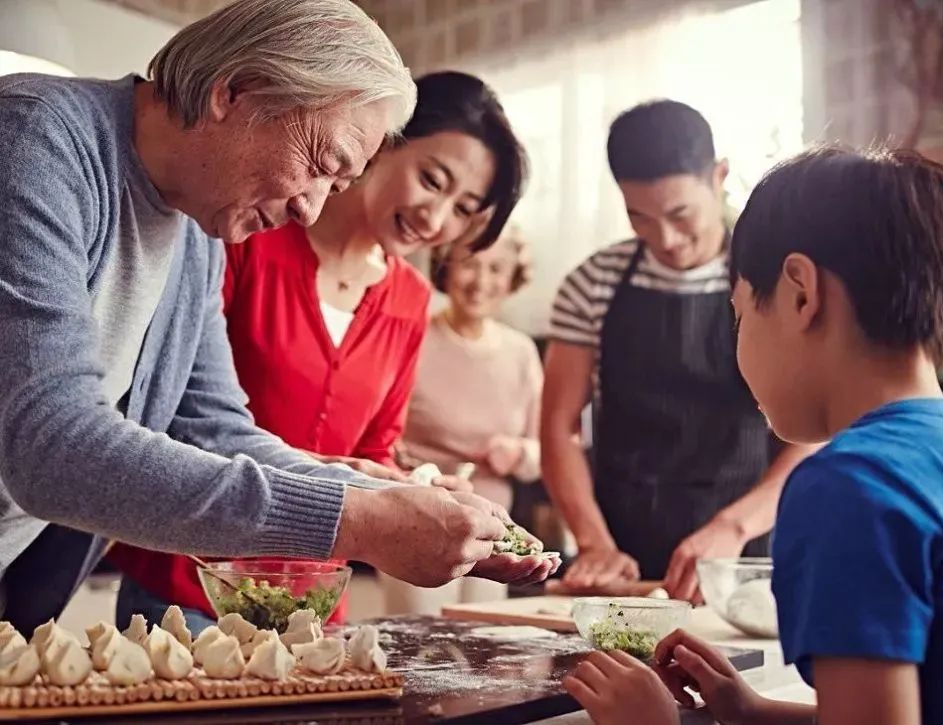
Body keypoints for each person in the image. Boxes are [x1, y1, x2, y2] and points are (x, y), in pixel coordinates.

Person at [0, 0, 554, 635]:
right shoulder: (33, 139)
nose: (310, 210)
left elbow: (216, 429)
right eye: (319, 165)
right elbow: (49, 445)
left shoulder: (198, 229)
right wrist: (357, 521)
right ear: (234, 91)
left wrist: (392, 500)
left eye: (335, 186)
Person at [563, 146, 943, 725]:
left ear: (800, 293)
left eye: (739, 315)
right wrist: (751, 713)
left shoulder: (850, 486)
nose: (738, 346)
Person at [107, 70, 531, 632]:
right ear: (383, 141)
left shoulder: (410, 299)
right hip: (191, 582)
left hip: (316, 599)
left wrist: (415, 491)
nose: (435, 218)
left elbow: (375, 447)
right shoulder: (246, 230)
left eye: (463, 209)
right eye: (431, 180)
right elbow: (186, 416)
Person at [542, 100, 814, 601]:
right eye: (639, 217)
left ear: (719, 176)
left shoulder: (772, 279)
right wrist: (594, 543)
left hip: (745, 554)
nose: (664, 238)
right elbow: (560, 427)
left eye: (679, 213)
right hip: (623, 556)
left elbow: (815, 431)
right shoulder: (593, 283)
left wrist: (735, 526)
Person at [382, 227, 543, 613]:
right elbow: (380, 431)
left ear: (512, 278)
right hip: (420, 520)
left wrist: (518, 453)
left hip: (495, 531)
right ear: (446, 268)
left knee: (484, 638)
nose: (481, 281)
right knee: (419, 637)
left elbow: (543, 453)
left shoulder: (521, 352)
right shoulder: (414, 335)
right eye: (469, 264)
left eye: (496, 269)